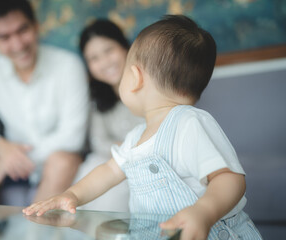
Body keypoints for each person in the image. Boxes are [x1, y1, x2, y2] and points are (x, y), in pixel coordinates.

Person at [23, 15, 262, 240]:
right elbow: (108, 172)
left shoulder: (190, 122)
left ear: (135, 77)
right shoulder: (137, 136)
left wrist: (204, 211)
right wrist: (72, 195)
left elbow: (230, 178)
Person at [0, 0, 89, 205]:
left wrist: (8, 162)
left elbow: (73, 136)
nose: (18, 44)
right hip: (11, 165)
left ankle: (36, 236)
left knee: (62, 160)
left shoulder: (68, 66)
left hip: (54, 162)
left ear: (36, 25)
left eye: (23, 30)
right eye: (4, 37)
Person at [73, 19, 143, 212]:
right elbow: (98, 141)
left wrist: (129, 151)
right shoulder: (97, 97)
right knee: (89, 169)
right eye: (94, 58)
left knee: (116, 187)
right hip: (113, 158)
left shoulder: (151, 85)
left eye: (109, 51)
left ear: (124, 47)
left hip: (147, 158)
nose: (104, 63)